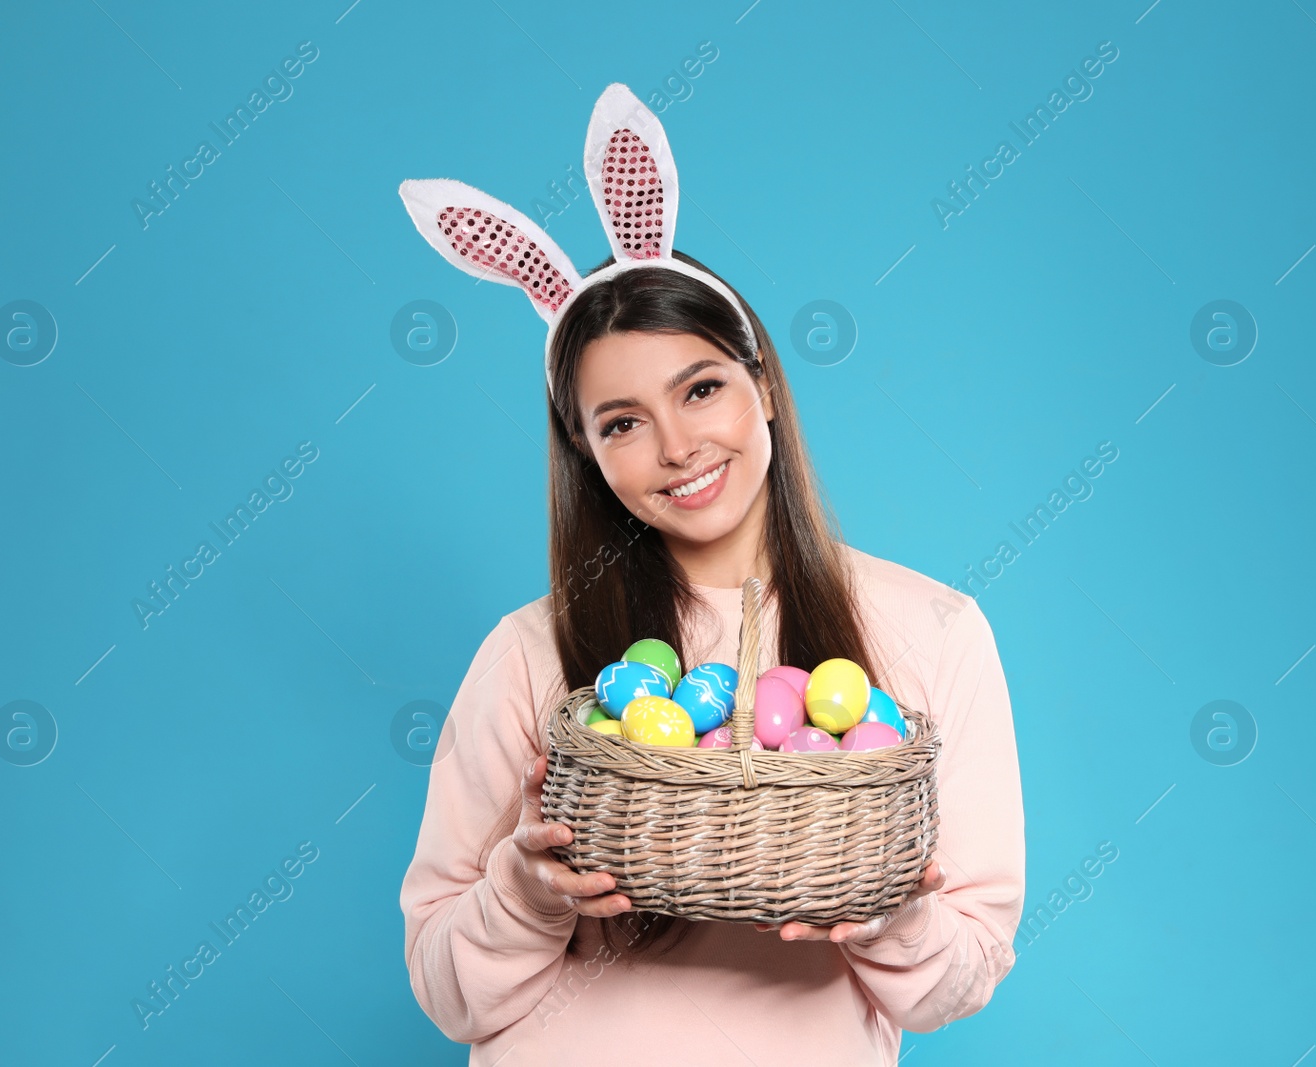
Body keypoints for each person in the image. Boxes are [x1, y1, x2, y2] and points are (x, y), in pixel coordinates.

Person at [397, 244, 1026, 1064]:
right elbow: (445, 994)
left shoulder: (933, 627)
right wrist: (523, 893)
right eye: (622, 422)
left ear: (761, 384)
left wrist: (893, 915)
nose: (676, 446)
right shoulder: (528, 651)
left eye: (700, 389)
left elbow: (963, 978)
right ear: (585, 448)